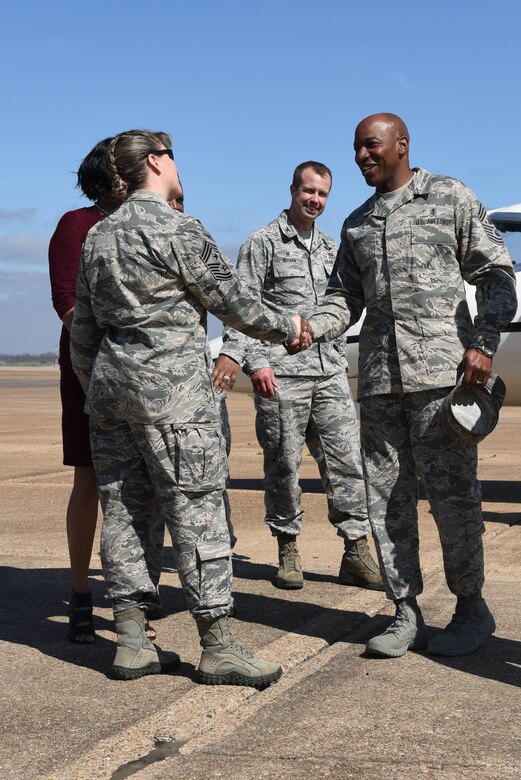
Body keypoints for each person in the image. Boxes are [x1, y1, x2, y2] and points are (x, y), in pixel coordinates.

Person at [70, 129, 304, 685]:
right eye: (170, 157)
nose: (177, 166)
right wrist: (289, 325)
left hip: (112, 400)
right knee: (197, 515)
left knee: (124, 512)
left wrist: (100, 388)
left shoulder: (98, 237)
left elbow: (82, 331)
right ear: (155, 162)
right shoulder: (179, 229)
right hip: (177, 402)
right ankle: (218, 643)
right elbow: (232, 299)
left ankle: (131, 641)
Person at [301, 113, 517, 657]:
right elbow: (342, 299)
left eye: (371, 146)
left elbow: (495, 273)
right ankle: (404, 611)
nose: (361, 157)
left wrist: (485, 342)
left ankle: (472, 609)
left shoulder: (448, 197)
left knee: (454, 500)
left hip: (443, 382)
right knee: (386, 502)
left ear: (401, 145)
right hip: (379, 384)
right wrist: (309, 328)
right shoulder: (355, 224)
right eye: (355, 148)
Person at [218, 162, 382, 591]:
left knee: (347, 462)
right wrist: (257, 362)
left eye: (323, 195)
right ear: (293, 190)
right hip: (282, 375)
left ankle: (355, 549)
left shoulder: (332, 248)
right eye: (308, 191)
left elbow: (344, 305)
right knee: (284, 466)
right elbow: (241, 307)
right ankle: (288, 547)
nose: (315, 200)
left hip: (328, 372)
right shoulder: (262, 243)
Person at [48, 139, 113, 644]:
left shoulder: (152, 225)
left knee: (138, 491)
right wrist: (116, 348)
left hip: (147, 376)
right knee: (88, 479)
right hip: (90, 370)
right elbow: (67, 302)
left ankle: (133, 600)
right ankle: (81, 595)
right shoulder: (78, 225)